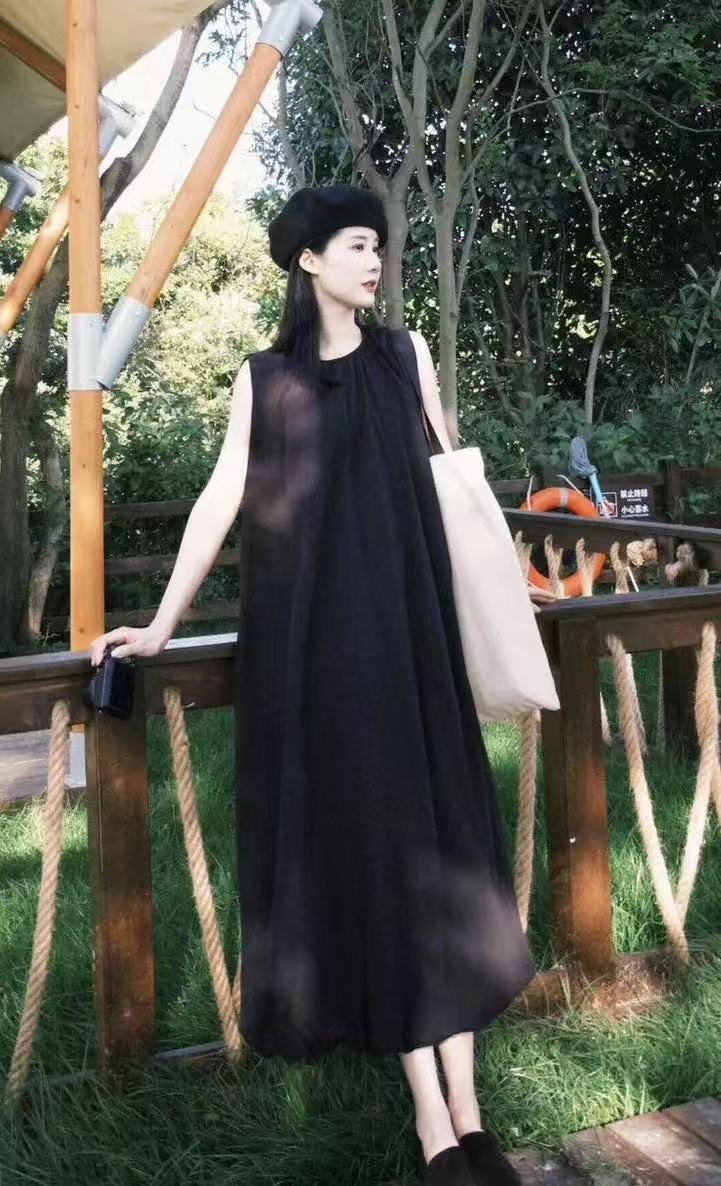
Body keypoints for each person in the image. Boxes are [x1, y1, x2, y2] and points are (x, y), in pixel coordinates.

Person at [90, 185, 554, 1186]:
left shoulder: (405, 355)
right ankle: (433, 1120)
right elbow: (221, 495)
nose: (373, 260)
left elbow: (453, 481)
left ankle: (470, 1116)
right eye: (354, 245)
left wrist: (504, 580)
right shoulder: (266, 381)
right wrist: (163, 622)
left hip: (417, 646)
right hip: (324, 661)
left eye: (377, 246)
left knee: (441, 852)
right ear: (307, 260)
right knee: (376, 858)